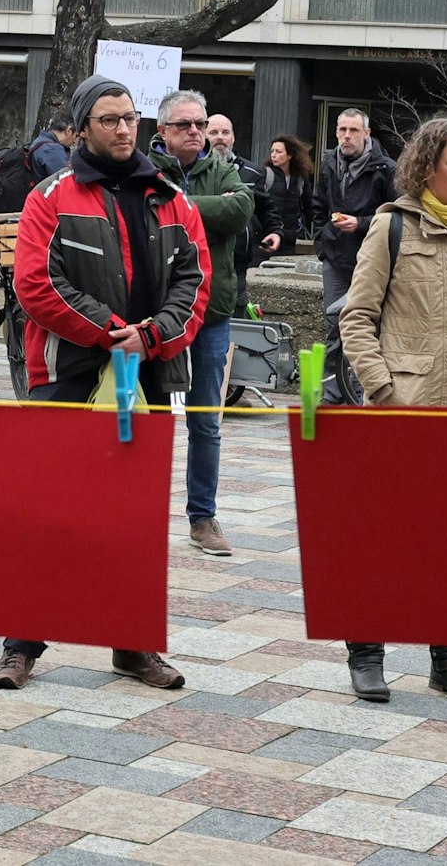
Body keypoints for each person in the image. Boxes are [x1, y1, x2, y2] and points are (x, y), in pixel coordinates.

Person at [0, 73, 208, 694]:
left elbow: (196, 285)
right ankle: (21, 644)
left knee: (133, 518)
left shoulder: (170, 196)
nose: (122, 128)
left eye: (130, 117)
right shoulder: (51, 197)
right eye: (109, 118)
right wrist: (113, 331)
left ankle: (134, 645)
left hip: (152, 374)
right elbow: (36, 286)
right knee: (49, 514)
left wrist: (152, 335)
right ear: (83, 127)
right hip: (68, 374)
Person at [338, 116, 447, 705]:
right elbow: (356, 318)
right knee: (382, 538)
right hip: (400, 410)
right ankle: (367, 654)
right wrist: (384, 390)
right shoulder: (389, 229)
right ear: (426, 167)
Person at [150, 91, 265, 557]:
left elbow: (240, 211)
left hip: (212, 311)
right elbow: (148, 215)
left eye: (200, 124)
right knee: (151, 416)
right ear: (163, 132)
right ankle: (142, 508)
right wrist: (206, 207)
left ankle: (203, 517)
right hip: (155, 313)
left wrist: (181, 206)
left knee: (205, 420)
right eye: (185, 125)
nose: (196, 132)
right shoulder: (145, 170)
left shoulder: (224, 167)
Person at [312, 109, 398, 399]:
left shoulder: (386, 168)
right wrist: (321, 240)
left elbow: (396, 216)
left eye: (353, 131)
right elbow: (318, 205)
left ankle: (363, 389)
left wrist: (360, 224)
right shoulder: (328, 163)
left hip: (371, 259)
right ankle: (332, 391)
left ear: (367, 134)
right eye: (342, 130)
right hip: (335, 257)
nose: (346, 137)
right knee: (335, 324)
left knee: (367, 326)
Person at [201, 114, 284, 317]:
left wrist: (274, 231)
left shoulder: (252, 172)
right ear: (203, 136)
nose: (220, 137)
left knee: (235, 318)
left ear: (233, 138)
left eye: (225, 132)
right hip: (205, 254)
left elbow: (265, 206)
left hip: (239, 260)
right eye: (213, 132)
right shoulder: (197, 171)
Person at [263, 134, 319, 258]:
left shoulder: (300, 179)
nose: (273, 155)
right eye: (272, 151)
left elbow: (309, 207)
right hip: (267, 236)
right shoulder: (266, 174)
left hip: (289, 239)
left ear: (289, 155)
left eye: (278, 151)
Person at [29, 111, 77, 180]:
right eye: (76, 136)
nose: (75, 141)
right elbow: (65, 181)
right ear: (69, 130)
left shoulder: (41, 141)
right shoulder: (52, 150)